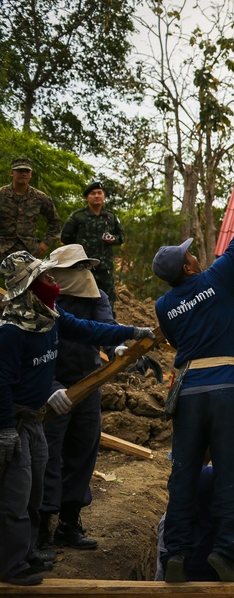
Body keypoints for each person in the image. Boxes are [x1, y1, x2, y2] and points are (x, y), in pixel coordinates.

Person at [0, 251, 149, 587]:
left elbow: (90, 328)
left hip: (39, 416)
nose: (52, 281)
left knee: (35, 488)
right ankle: (11, 564)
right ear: (30, 287)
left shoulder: (51, 314)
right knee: (16, 494)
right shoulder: (11, 331)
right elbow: (4, 382)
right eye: (45, 278)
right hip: (19, 419)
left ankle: (29, 550)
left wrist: (131, 332)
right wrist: (6, 429)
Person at [153, 172, 234, 583]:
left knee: (183, 474)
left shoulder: (164, 306)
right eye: (190, 254)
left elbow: (171, 340)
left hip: (187, 393)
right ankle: (225, 552)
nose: (195, 255)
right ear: (188, 265)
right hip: (225, 390)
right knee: (230, 474)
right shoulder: (216, 280)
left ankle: (178, 556)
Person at [37, 245, 121, 560]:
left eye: (86, 266)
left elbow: (106, 326)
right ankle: (41, 528)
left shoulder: (96, 295)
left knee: (83, 451)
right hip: (51, 386)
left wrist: (119, 348)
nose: (84, 272)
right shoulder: (44, 299)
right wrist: (47, 388)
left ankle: (69, 524)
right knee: (47, 457)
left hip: (88, 384)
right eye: (77, 267)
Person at [60, 182, 124, 309]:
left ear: (104, 196)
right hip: (84, 266)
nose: (96, 196)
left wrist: (113, 239)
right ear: (86, 198)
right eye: (93, 194)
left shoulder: (110, 216)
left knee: (108, 300)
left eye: (99, 193)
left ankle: (108, 325)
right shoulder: (78, 216)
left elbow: (121, 237)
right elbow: (65, 238)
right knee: (82, 300)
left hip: (105, 267)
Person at [0, 159, 61, 261]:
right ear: (12, 173)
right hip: (2, 250)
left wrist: (45, 243)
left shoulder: (39, 197)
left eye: (27, 171)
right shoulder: (1, 194)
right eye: (20, 171)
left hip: (29, 252)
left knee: (31, 277)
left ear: (30, 174)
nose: (24, 174)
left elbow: (55, 221)